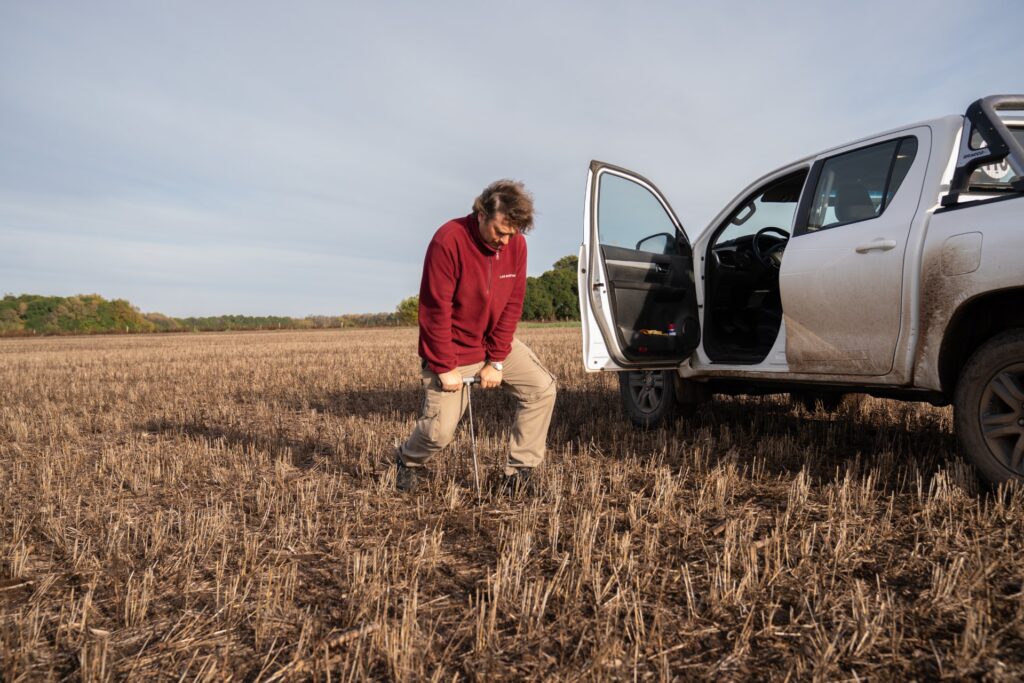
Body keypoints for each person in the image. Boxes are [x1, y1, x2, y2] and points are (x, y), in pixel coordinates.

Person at [395, 179, 557, 494]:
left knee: (543, 389)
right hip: (452, 350)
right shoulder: (448, 240)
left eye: (513, 234)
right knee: (439, 432)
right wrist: (443, 366)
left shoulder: (516, 246)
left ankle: (519, 474)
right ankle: (408, 461)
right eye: (500, 231)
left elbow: (513, 304)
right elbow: (434, 309)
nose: (506, 242)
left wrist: (496, 360)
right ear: (481, 213)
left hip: (493, 345)